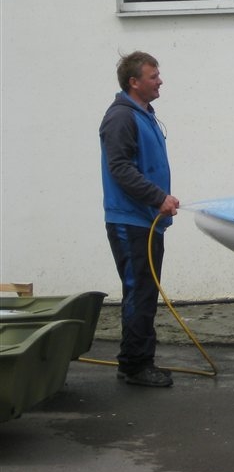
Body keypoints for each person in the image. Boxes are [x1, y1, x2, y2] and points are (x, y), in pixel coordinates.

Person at [100, 51, 180, 387]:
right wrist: (158, 197)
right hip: (130, 221)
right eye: (153, 76)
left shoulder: (144, 115)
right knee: (139, 292)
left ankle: (139, 360)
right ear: (134, 82)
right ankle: (134, 366)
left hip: (147, 221)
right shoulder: (121, 118)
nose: (160, 81)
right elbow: (120, 169)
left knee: (145, 292)